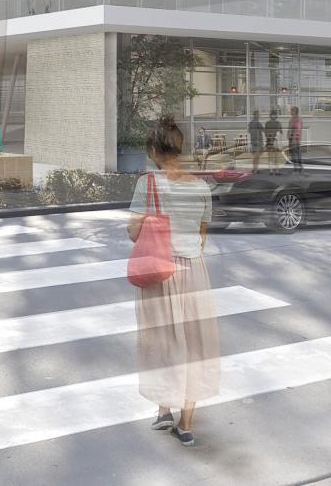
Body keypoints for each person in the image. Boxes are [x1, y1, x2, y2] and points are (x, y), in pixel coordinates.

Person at [127, 116, 219, 448]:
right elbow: (202, 236)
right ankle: (186, 423)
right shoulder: (201, 185)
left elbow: (134, 232)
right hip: (194, 272)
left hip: (160, 272)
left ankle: (163, 407)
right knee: (194, 344)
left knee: (162, 340)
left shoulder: (147, 184)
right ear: (179, 147)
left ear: (154, 149)